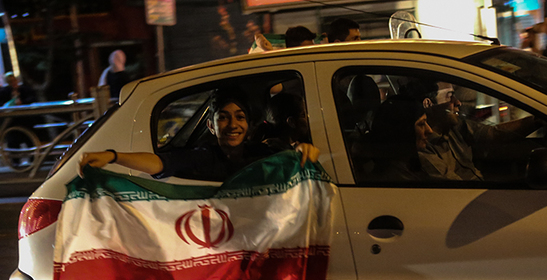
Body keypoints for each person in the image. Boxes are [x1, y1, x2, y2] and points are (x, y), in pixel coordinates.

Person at [79, 88, 319, 181]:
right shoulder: (204, 157)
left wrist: (301, 152)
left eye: (240, 117)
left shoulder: (264, 153)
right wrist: (112, 156)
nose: (232, 124)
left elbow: (292, 163)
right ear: (211, 126)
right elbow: (161, 163)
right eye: (223, 117)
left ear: (249, 126)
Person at [416, 81, 538, 181]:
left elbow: (493, 133)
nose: (457, 102)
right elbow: (457, 188)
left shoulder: (455, 127)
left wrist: (536, 121)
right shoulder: (423, 145)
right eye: (449, 97)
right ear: (428, 104)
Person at [365, 96, 433, 182]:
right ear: (403, 130)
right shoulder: (395, 180)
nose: (430, 130)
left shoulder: (407, 168)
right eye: (421, 124)